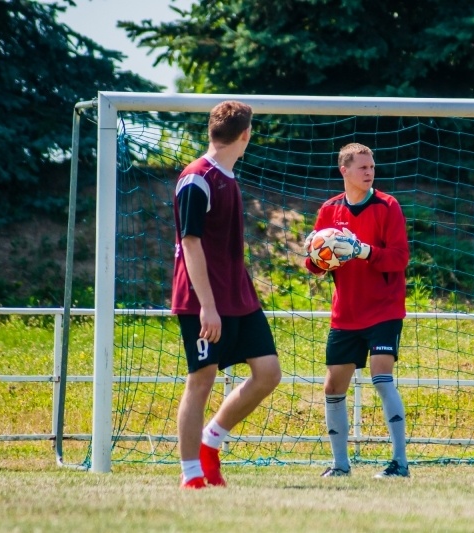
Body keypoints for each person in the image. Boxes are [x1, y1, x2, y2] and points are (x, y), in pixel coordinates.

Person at [171, 100, 282, 489]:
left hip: (239, 295)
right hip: (204, 301)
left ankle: (211, 441)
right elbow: (190, 244)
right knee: (201, 379)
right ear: (246, 134)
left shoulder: (228, 177)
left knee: (268, 373)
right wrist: (207, 307)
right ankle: (191, 475)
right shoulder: (196, 178)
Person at [304, 143, 411, 478]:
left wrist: (363, 250)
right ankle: (340, 465)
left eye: (372, 167)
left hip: (384, 309)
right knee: (333, 387)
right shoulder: (329, 211)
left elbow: (399, 258)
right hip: (346, 314)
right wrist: (314, 252)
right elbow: (315, 267)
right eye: (362, 167)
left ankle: (399, 463)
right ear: (344, 171)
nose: (369, 172)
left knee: (381, 377)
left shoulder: (388, 206)